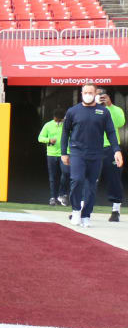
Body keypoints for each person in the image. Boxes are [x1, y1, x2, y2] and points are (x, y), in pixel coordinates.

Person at [62, 83, 123, 228]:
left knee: (91, 186)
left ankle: (86, 215)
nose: (87, 94)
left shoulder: (103, 112)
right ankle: (76, 210)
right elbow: (65, 133)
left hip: (96, 154)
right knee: (76, 180)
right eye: (85, 92)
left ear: (95, 94)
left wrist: (117, 150)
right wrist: (64, 152)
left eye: (90, 92)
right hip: (77, 152)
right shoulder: (73, 111)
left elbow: (111, 132)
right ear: (81, 93)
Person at [96, 87, 125, 222]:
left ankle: (116, 210)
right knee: (86, 178)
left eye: (102, 95)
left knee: (114, 178)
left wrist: (110, 106)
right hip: (93, 148)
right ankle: (82, 208)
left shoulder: (115, 109)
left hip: (110, 149)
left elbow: (120, 123)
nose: (100, 97)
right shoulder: (88, 109)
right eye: (97, 95)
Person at [38, 109, 70, 206]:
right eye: (57, 120)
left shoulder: (67, 125)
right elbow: (40, 138)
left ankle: (62, 194)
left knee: (66, 173)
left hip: (64, 153)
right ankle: (53, 197)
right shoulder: (48, 125)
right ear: (54, 118)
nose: (58, 122)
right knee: (53, 177)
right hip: (51, 154)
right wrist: (49, 140)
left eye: (60, 120)